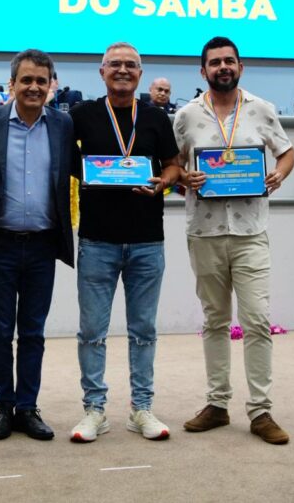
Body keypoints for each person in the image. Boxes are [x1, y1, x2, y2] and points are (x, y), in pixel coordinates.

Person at [174, 36, 294, 445]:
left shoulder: (262, 109)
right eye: (214, 62)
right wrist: (182, 180)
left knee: (257, 319)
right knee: (214, 320)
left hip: (250, 231)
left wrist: (279, 174)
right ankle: (217, 404)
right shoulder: (186, 115)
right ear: (203, 71)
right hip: (204, 230)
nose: (222, 67)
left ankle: (261, 411)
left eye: (229, 61)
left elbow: (287, 152)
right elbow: (172, 166)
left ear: (239, 67)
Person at [68, 41, 182, 443]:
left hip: (148, 241)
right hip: (97, 239)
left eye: (130, 65)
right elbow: (67, 162)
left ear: (140, 73)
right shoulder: (81, 115)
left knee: (144, 330)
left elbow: (173, 165)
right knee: (92, 331)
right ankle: (95, 409)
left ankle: (141, 408)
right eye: (114, 64)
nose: (122, 70)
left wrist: (164, 182)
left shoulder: (155, 117)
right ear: (101, 72)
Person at [0, 49, 74, 441]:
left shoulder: (63, 125)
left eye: (41, 81)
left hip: (43, 247)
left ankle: (28, 407)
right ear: (11, 84)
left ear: (51, 86)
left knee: (33, 331)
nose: (34, 87)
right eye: (26, 80)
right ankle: (3, 406)